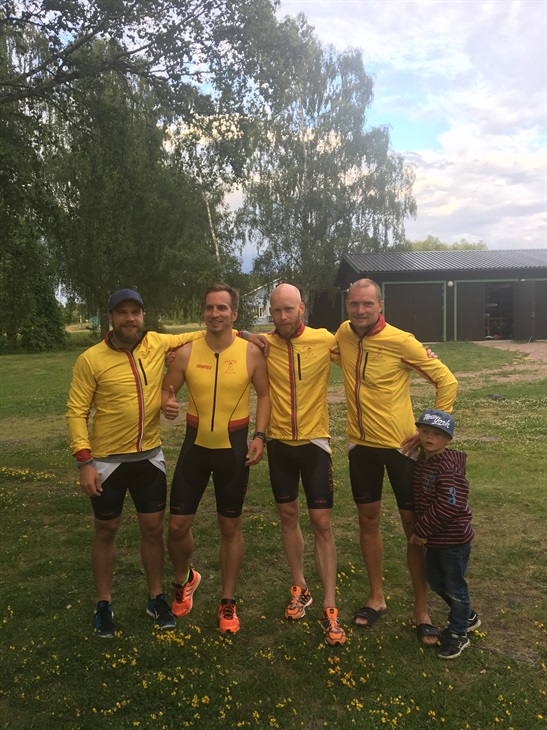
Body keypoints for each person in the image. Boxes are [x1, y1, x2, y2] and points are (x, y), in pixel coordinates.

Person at [66, 289, 206, 637]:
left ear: (143, 316)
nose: (130, 318)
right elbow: (77, 411)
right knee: (106, 531)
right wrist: (84, 462)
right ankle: (103, 603)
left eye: (136, 312)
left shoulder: (156, 343)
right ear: (110, 317)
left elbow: (204, 333)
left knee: (153, 530)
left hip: (149, 459)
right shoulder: (90, 359)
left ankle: (156, 597)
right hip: (107, 463)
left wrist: (246, 334)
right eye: (123, 312)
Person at [333, 278, 458, 646]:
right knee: (367, 522)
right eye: (354, 303)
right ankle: (377, 597)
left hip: (402, 450)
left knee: (414, 530)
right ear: (347, 305)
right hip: (361, 447)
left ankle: (422, 610)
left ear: (380, 305)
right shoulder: (344, 334)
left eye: (367, 304)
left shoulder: (402, 341)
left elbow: (447, 381)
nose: (360, 310)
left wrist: (429, 432)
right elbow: (317, 349)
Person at [161, 283, 270, 634]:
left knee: (230, 527)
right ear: (204, 312)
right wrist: (167, 402)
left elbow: (264, 395)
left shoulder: (251, 352)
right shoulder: (186, 352)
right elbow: (167, 389)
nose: (215, 313)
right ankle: (185, 580)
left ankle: (227, 600)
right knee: (177, 527)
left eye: (222, 307)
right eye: (209, 307)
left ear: (234, 313)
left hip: (233, 449)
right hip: (195, 448)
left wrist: (260, 436)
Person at [263, 283, 346, 646]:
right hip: (279, 443)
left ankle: (330, 606)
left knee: (322, 523)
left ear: (302, 308)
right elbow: (222, 337)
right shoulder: (263, 344)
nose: (283, 317)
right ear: (270, 313)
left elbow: (363, 349)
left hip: (314, 443)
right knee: (287, 516)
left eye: (289, 309)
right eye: (277, 310)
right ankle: (300, 587)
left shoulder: (324, 340)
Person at [409, 409, 479, 659]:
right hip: (437, 539)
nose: (430, 437)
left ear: (448, 439)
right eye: (425, 431)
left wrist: (421, 530)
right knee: (435, 580)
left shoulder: (448, 467)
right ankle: (467, 615)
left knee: (455, 587)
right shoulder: (424, 460)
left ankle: (459, 633)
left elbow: (449, 504)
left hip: (454, 541)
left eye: (437, 434)